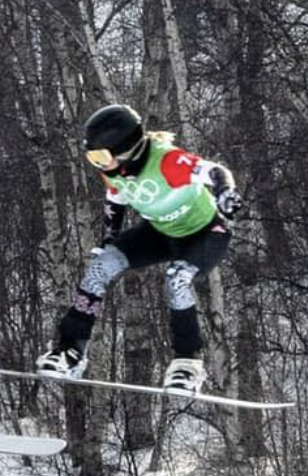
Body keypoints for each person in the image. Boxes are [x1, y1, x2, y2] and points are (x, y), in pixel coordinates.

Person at [37, 104, 244, 393]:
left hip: (205, 234)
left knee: (177, 278)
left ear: (126, 149)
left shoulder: (167, 161)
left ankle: (188, 362)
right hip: (159, 232)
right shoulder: (113, 169)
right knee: (100, 267)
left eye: (100, 156)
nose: (96, 163)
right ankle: (70, 350)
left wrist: (226, 193)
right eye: (91, 157)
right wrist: (109, 240)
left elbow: (216, 171)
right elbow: (116, 200)